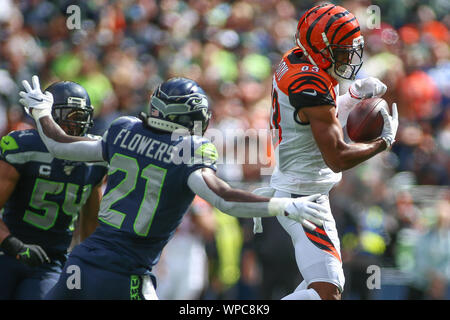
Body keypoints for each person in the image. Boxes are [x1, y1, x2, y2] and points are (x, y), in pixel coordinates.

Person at [19, 75, 331, 299]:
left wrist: (42, 112)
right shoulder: (190, 150)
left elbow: (60, 145)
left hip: (83, 261)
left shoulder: (122, 130)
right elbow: (225, 199)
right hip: (125, 274)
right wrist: (283, 205)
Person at [254, 3, 399, 300]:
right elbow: (336, 158)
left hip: (299, 188)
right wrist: (383, 142)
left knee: (320, 288)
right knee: (326, 293)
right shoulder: (310, 84)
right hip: (304, 197)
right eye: (342, 49)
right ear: (321, 49)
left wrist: (354, 96)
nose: (349, 56)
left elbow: (319, 117)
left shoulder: (298, 60)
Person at [0, 81, 107, 299]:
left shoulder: (95, 159)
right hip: (6, 251)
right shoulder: (24, 147)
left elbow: (90, 224)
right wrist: (12, 244)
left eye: (80, 116)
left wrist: (90, 263)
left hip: (50, 261)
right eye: (69, 115)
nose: (75, 124)